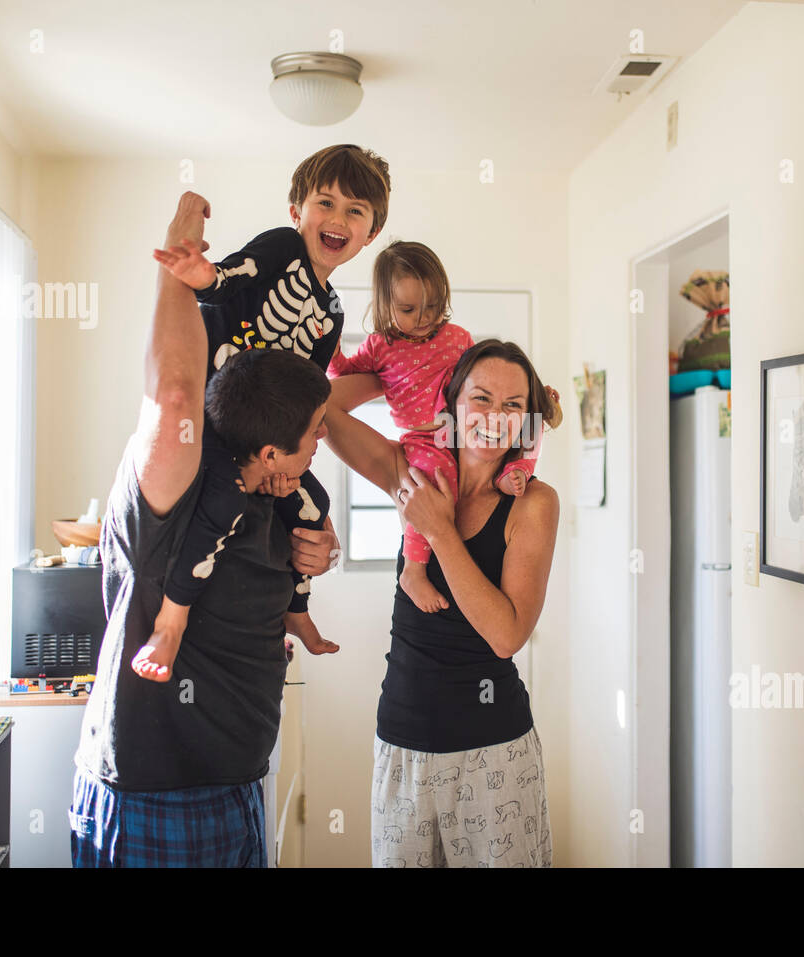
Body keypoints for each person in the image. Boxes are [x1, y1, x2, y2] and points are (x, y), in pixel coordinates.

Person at [69, 192, 341, 867]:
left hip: (239, 783)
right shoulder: (179, 484)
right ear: (275, 447)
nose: (319, 447)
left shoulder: (270, 494)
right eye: (313, 437)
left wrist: (316, 548)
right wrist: (178, 263)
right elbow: (177, 391)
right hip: (155, 795)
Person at [133, 144, 391, 682]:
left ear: (370, 234)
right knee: (221, 504)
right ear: (298, 211)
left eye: (355, 212)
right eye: (326, 202)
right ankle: (172, 621)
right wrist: (202, 275)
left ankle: (297, 614)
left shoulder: (334, 314)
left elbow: (306, 391)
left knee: (314, 504)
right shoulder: (281, 247)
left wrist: (285, 466)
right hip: (216, 415)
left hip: (265, 439)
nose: (338, 219)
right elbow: (233, 276)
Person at [324, 336, 561, 868]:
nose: (494, 417)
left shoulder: (533, 502)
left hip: (493, 750)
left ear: (528, 420)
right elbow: (325, 408)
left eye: (513, 405)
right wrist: (389, 373)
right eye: (480, 398)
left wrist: (442, 534)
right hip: (402, 741)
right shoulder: (413, 471)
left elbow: (507, 636)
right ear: (450, 402)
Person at [329, 241, 562, 613]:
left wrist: (533, 398)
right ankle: (415, 569)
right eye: (408, 309)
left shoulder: (456, 338)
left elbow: (483, 384)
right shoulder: (380, 347)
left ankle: (515, 469)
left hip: (452, 426)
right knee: (435, 485)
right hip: (422, 437)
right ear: (386, 306)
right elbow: (339, 379)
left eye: (434, 307)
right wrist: (364, 368)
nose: (423, 318)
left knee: (527, 423)